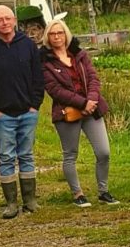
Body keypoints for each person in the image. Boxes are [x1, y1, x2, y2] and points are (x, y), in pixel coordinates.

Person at [40, 19, 116, 208]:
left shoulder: (80, 55)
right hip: (68, 112)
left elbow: (93, 78)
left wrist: (90, 100)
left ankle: (103, 191)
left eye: (60, 32)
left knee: (104, 152)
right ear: (47, 37)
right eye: (52, 33)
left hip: (92, 109)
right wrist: (82, 103)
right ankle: (77, 194)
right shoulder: (45, 62)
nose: (57, 36)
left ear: (66, 34)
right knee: (70, 154)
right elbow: (54, 89)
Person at [0, 5, 44, 219]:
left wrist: (35, 105)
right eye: (0, 20)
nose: (4, 23)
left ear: (14, 20)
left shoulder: (27, 45)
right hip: (2, 116)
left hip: (27, 112)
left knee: (27, 155)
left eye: (8, 18)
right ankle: (11, 203)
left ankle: (30, 200)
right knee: (6, 157)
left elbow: (38, 78)